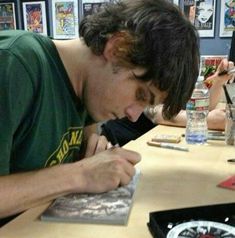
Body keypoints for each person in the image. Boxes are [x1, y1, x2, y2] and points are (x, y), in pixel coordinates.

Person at [0, 0, 200, 220]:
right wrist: (81, 174)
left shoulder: (87, 96)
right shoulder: (14, 63)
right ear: (117, 48)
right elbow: (78, 173)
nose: (134, 116)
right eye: (140, 95)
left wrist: (95, 150)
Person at [101, 58, 235, 146]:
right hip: (121, 142)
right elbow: (160, 114)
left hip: (146, 140)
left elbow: (200, 106)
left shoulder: (177, 73)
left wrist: (218, 82)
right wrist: (207, 120)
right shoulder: (152, 71)